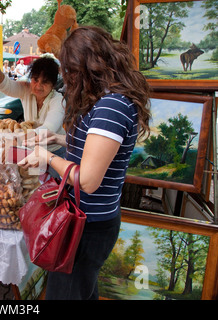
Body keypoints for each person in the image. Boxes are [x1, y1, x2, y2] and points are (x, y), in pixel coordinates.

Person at [19, 26, 151, 300]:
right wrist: (62, 139)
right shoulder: (108, 99)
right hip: (88, 221)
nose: (67, 80)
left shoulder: (111, 106)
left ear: (86, 68)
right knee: (83, 292)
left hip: (86, 226)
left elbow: (88, 180)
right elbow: (98, 150)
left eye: (70, 72)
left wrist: (47, 156)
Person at [0, 55, 66, 177]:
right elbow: (5, 85)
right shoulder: (26, 90)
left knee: (51, 187)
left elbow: (48, 129)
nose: (38, 86)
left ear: (53, 84)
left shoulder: (58, 100)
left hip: (54, 153)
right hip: (32, 150)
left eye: (45, 82)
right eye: (35, 79)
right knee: (34, 184)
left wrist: (17, 139)